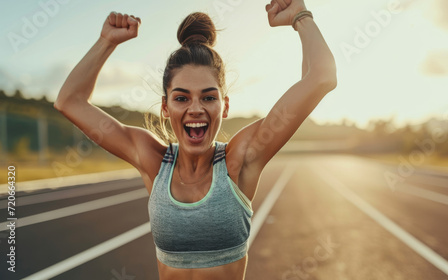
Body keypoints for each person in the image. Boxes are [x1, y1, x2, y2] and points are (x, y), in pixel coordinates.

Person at [54, 0, 336, 279]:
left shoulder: (240, 159)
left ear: (224, 106)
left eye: (208, 97)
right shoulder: (152, 160)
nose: (196, 108)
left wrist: (300, 16)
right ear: (165, 107)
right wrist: (107, 41)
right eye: (181, 98)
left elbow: (321, 78)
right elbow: (69, 101)